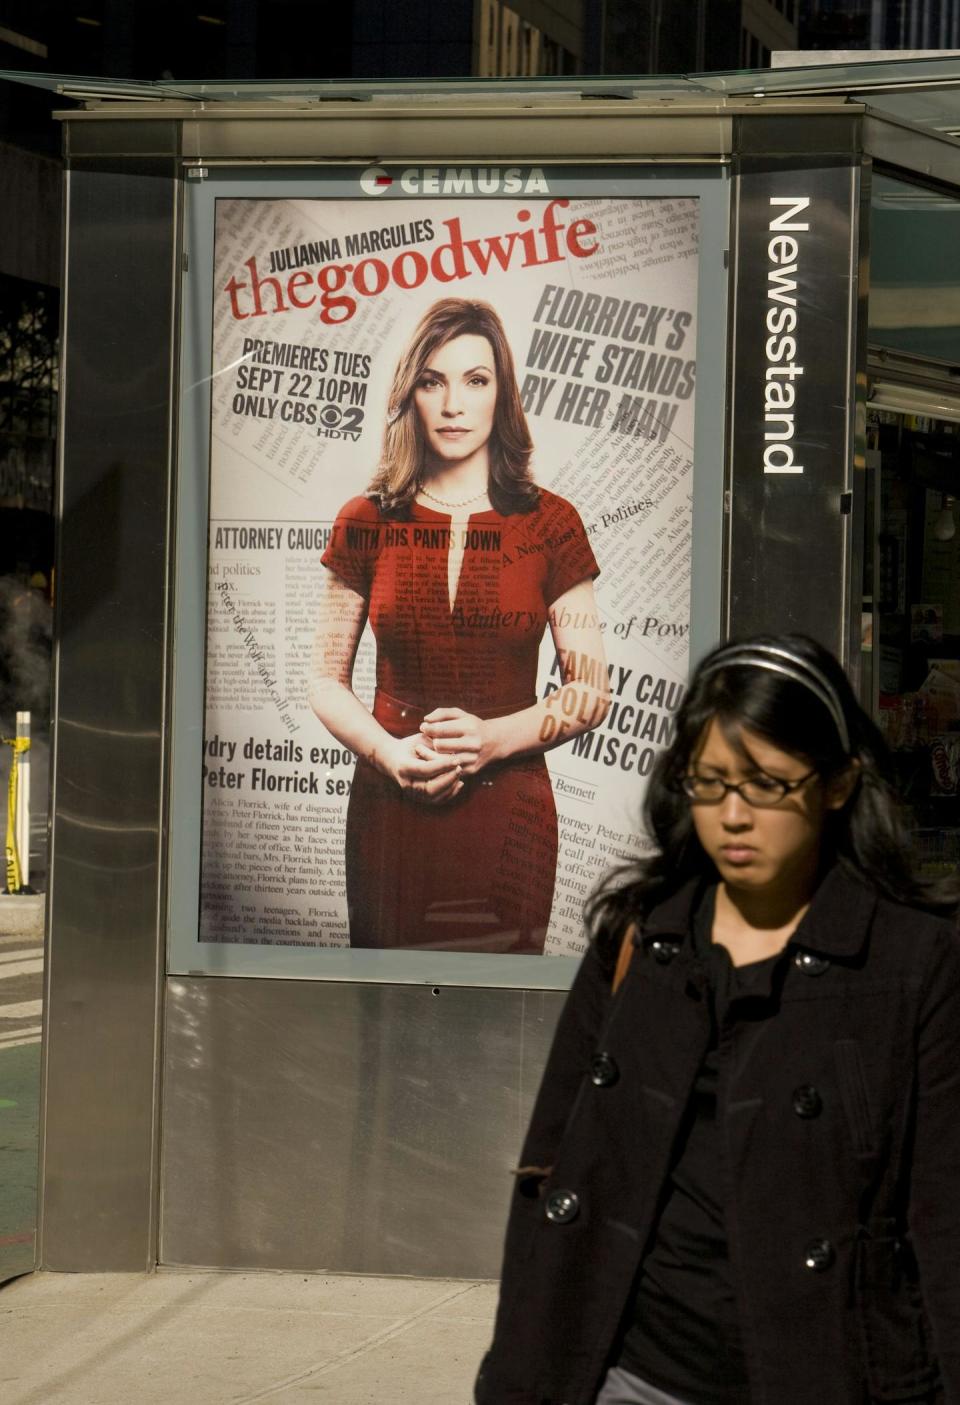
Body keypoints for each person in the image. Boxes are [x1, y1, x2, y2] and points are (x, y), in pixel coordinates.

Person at [476, 634, 960, 1404]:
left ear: (838, 784)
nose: (734, 816)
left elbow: (943, 1217)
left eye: (768, 785)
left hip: (828, 1372)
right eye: (710, 782)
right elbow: (552, 1171)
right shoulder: (640, 935)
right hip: (632, 1374)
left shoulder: (912, 962)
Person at [310, 298, 610, 952]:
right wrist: (389, 754)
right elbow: (325, 682)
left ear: (502, 395)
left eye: (476, 380)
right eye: (432, 380)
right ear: (409, 394)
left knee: (499, 1030)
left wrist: (492, 742)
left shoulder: (553, 524)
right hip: (390, 809)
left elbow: (589, 692)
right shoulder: (365, 519)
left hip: (510, 818)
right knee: (384, 1024)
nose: (453, 404)